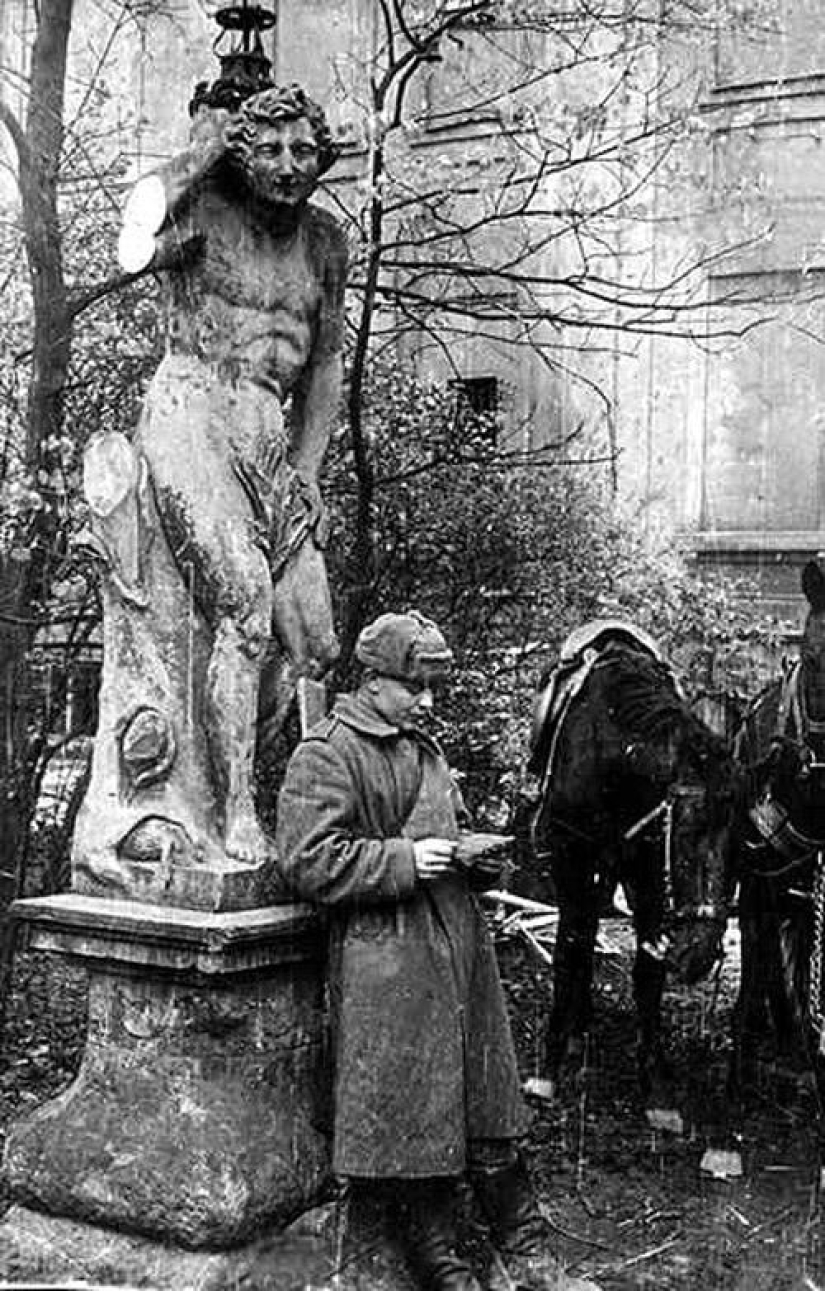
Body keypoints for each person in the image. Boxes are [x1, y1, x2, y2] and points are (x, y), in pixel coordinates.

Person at [276, 611, 601, 1291]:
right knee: (412, 1117)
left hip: (456, 943)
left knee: (485, 1102)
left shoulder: (417, 744)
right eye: (414, 686)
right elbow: (306, 860)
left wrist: (470, 861)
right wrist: (403, 860)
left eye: (431, 687)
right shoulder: (327, 751)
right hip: (386, 960)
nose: (427, 700)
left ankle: (527, 1246)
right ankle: (445, 1264)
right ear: (373, 681)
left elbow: (434, 831)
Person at [117, 84, 347, 865]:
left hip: (267, 433)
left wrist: (310, 469)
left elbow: (324, 366)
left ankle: (275, 798)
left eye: (303, 150)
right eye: (271, 149)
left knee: (313, 639)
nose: (289, 166)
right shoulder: (205, 212)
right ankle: (233, 815)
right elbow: (131, 239)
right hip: (192, 406)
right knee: (245, 605)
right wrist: (203, 152)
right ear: (243, 155)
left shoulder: (324, 242)